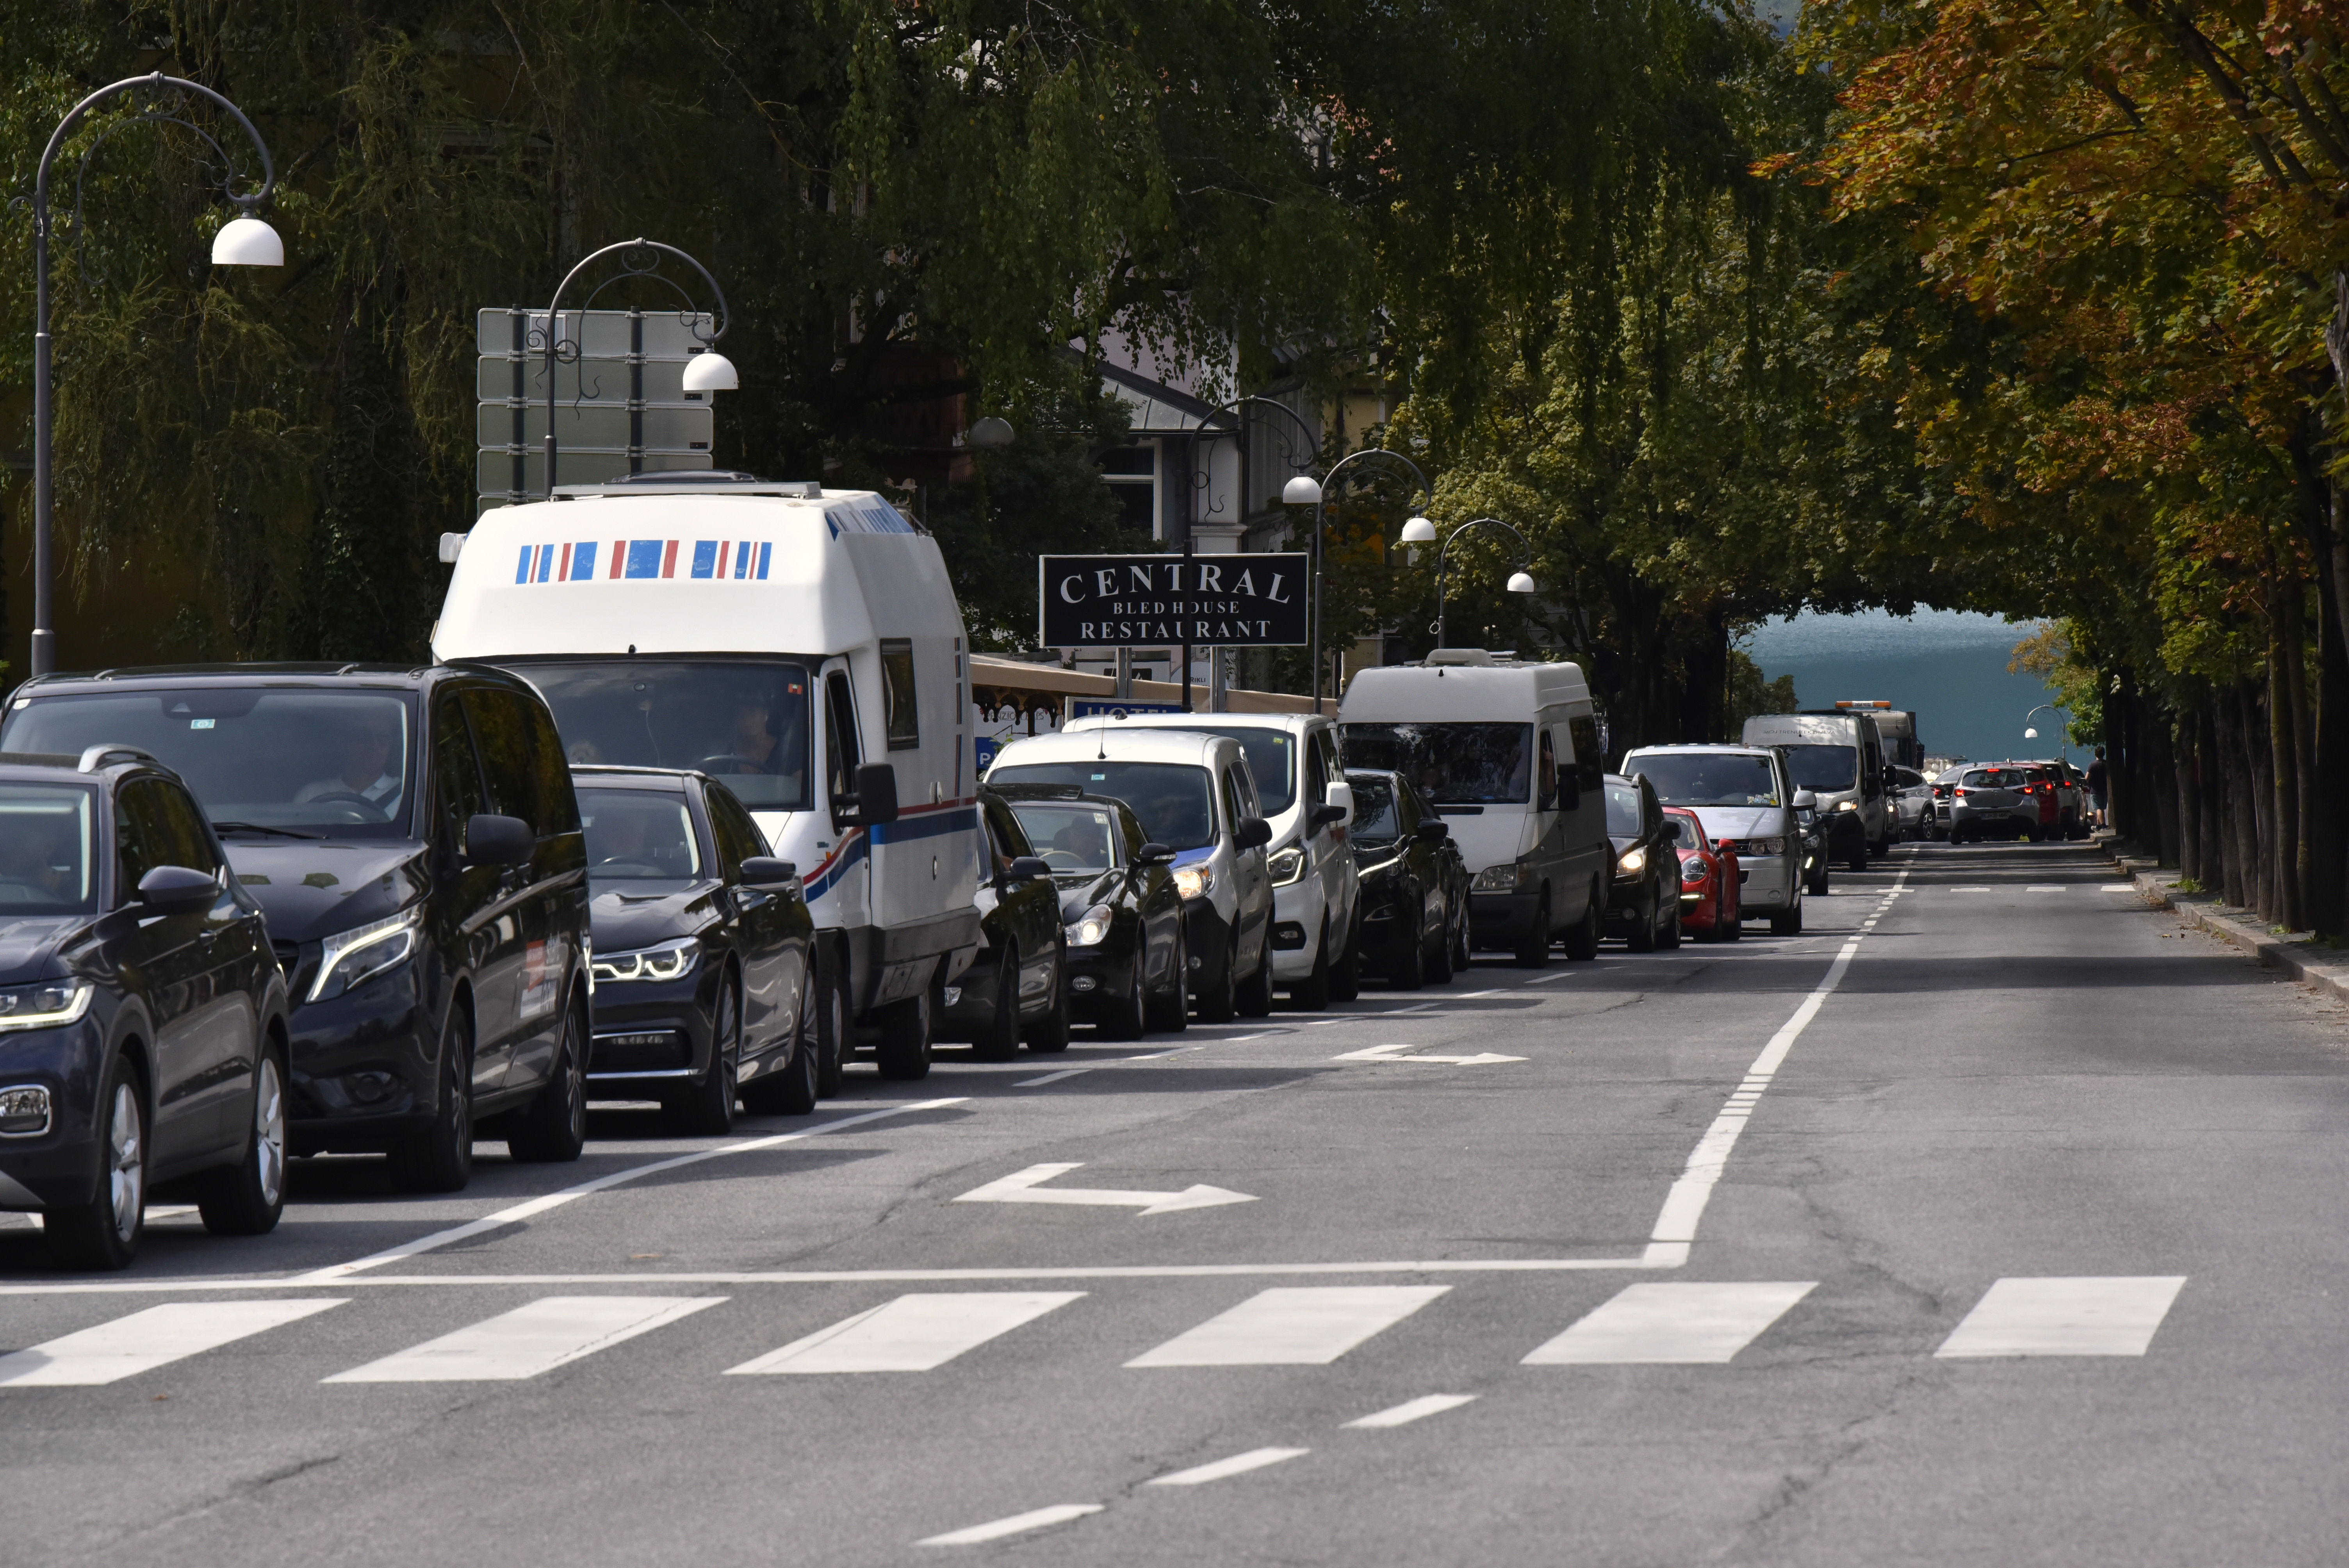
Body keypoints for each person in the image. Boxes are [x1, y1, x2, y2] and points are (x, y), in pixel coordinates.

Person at [296, 709, 405, 818]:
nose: (374, 746)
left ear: (391, 746)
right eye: (364, 738)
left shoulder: (405, 795)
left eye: (383, 739)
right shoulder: (312, 795)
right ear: (343, 743)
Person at [2086, 747, 2110, 829]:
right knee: (2102, 808)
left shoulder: (2093, 765)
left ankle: (2103, 825)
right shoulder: (2107, 764)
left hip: (2095, 790)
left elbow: (2087, 778)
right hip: (2105, 790)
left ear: (2095, 754)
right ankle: (2098, 826)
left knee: (2098, 808)